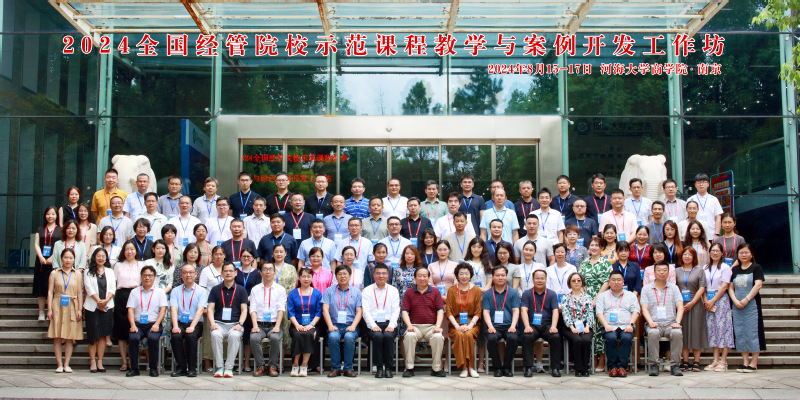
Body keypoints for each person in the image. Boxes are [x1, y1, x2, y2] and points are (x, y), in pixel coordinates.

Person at [641, 261, 685, 377]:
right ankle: (654, 364)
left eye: (665, 270)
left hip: (670, 323)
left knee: (677, 333)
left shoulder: (674, 288)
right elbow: (644, 308)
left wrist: (677, 322)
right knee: (653, 333)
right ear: (654, 273)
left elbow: (680, 306)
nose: (662, 272)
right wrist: (651, 322)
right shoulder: (646, 289)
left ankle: (675, 365)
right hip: (654, 323)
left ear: (668, 273)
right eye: (659, 270)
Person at [401, 267, 446, 378]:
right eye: (419, 276)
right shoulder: (409, 292)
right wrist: (409, 325)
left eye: (425, 276)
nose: (422, 278)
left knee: (438, 337)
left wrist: (438, 326)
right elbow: (404, 311)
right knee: (409, 336)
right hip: (414, 326)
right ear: (415, 278)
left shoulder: (435, 292)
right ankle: (409, 368)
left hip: (431, 327)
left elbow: (440, 310)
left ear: (429, 278)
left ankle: (436, 368)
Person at [595, 270, 640, 377]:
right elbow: (599, 313)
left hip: (626, 325)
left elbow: (636, 312)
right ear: (609, 282)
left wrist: (631, 324)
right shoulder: (602, 296)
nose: (616, 282)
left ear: (623, 282)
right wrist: (606, 325)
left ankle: (622, 367)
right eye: (613, 280)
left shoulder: (631, 295)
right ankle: (613, 367)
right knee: (611, 338)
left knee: (626, 338)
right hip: (609, 326)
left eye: (619, 280)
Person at [207, 262, 249, 378]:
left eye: (231, 271)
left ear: (235, 273)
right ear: (221, 273)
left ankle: (229, 367)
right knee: (215, 334)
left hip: (235, 324)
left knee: (235, 336)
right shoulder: (215, 289)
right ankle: (220, 367)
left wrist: (240, 324)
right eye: (225, 271)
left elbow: (244, 310)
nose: (228, 273)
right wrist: (212, 323)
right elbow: (210, 308)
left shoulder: (241, 290)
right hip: (219, 324)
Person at [125, 265, 168, 377]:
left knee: (152, 339)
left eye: (150, 275)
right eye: (145, 275)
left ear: (154, 277)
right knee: (133, 338)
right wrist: (132, 325)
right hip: (138, 324)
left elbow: (163, 310)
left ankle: (153, 368)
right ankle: (134, 369)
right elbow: (130, 310)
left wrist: (157, 324)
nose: (147, 278)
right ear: (141, 277)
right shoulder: (134, 292)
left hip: (153, 324)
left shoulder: (160, 292)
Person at [729, 244, 765, 373]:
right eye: (741, 253)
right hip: (737, 305)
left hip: (751, 304)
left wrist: (746, 299)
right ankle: (745, 362)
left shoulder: (756, 267)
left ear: (751, 254)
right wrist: (735, 301)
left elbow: (758, 285)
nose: (743, 255)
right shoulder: (735, 270)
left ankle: (754, 363)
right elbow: (730, 287)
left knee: (752, 332)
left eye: (746, 252)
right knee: (740, 332)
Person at [47, 248, 84, 373]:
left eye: (70, 258)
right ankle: (59, 364)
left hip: (72, 305)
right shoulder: (54, 273)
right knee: (57, 336)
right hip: (57, 305)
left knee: (70, 336)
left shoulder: (77, 274)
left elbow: (79, 293)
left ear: (74, 259)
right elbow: (50, 292)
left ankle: (67, 364)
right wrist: (49, 309)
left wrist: (79, 309)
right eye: (66, 257)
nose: (68, 260)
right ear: (61, 258)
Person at [322, 265, 362, 377]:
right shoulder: (329, 291)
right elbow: (325, 310)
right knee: (333, 337)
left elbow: (359, 311)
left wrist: (353, 326)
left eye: (345, 274)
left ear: (350, 276)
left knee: (349, 337)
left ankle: (348, 368)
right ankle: (335, 368)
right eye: (339, 274)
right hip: (334, 325)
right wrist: (330, 326)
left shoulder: (356, 292)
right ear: (336, 276)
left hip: (350, 325)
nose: (342, 276)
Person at [521, 269, 562, 377]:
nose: (540, 281)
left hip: (547, 324)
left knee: (555, 337)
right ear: (533, 280)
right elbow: (524, 310)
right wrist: (527, 326)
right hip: (532, 324)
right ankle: (528, 367)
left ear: (546, 279)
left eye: (542, 278)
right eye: (537, 278)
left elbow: (555, 311)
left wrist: (553, 326)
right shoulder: (527, 293)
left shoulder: (552, 294)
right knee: (527, 336)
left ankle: (555, 368)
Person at [579, 237, 612, 371]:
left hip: (601, 297)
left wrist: (596, 298)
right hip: (585, 298)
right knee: (589, 328)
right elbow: (580, 281)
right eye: (591, 245)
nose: (594, 248)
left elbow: (607, 281)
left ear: (602, 248)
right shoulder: (584, 263)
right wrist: (586, 297)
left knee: (600, 330)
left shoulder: (606, 263)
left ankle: (601, 360)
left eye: (597, 245)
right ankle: (590, 359)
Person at [362, 263, 401, 378]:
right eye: (378, 273)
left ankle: (388, 368)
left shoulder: (393, 290)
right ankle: (379, 367)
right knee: (378, 336)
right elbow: (365, 311)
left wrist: (392, 325)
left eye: (384, 273)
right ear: (374, 275)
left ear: (388, 275)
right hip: (373, 324)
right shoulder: (367, 290)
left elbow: (396, 310)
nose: (381, 276)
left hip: (389, 323)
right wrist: (372, 325)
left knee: (388, 336)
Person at [169, 263, 208, 377]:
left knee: (190, 336)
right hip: (180, 322)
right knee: (175, 336)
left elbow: (200, 310)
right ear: (181, 275)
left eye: (190, 272)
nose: (188, 275)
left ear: (195, 274)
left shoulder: (201, 291)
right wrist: (175, 326)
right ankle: (181, 367)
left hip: (195, 323)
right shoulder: (175, 291)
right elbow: (173, 309)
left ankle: (191, 368)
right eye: (185, 273)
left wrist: (192, 326)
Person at [249, 262, 287, 377]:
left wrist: (277, 326)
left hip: (274, 324)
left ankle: (272, 366)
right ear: (261, 273)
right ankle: (261, 366)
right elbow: (253, 309)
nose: (268, 272)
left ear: (274, 273)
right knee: (254, 338)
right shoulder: (255, 289)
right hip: (259, 324)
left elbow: (281, 309)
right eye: (265, 269)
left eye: (270, 269)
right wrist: (255, 326)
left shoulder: (280, 289)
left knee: (275, 338)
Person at [445, 262, 482, 378]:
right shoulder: (452, 290)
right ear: (457, 275)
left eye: (466, 274)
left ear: (470, 275)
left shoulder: (476, 290)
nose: (464, 276)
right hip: (455, 323)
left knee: (468, 334)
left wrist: (470, 326)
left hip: (472, 323)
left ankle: (471, 367)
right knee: (460, 335)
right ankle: (464, 367)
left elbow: (478, 311)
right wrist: (457, 326)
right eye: (461, 274)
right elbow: (449, 311)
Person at [483, 265, 520, 377]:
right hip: (494, 325)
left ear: (506, 277)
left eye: (503, 275)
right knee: (491, 339)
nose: (500, 278)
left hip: (509, 325)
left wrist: (513, 326)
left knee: (513, 338)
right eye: (497, 275)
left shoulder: (513, 292)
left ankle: (507, 367)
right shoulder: (487, 293)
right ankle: (497, 367)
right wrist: (490, 326)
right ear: (492, 277)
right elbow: (486, 312)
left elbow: (516, 311)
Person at [113, 241, 143, 372]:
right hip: (121, 296)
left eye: (132, 249)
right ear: (123, 252)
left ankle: (132, 359)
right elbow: (114, 283)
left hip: (136, 295)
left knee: (134, 328)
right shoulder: (118, 265)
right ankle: (124, 361)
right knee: (121, 330)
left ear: (136, 251)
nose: (129, 252)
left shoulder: (141, 265)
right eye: (127, 249)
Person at [676, 247, 707, 372]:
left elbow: (702, 288)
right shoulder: (677, 271)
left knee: (696, 332)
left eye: (690, 254)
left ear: (694, 257)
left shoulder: (699, 271)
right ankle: (685, 361)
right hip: (680, 305)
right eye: (685, 254)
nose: (687, 256)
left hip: (696, 304)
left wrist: (693, 302)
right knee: (683, 332)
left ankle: (696, 361)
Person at [287, 267, 323, 377]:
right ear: (299, 278)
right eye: (303, 276)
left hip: (312, 324)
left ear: (312, 278)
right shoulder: (293, 293)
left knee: (309, 334)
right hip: (296, 324)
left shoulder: (317, 293)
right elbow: (290, 312)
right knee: (298, 334)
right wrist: (297, 325)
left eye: (309, 276)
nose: (306, 279)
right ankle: (295, 364)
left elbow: (318, 313)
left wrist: (311, 325)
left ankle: (304, 364)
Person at [704, 243, 734, 372]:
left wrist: (713, 300)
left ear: (722, 253)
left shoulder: (725, 268)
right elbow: (703, 286)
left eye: (717, 251)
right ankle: (715, 360)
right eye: (713, 250)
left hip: (721, 300)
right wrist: (706, 300)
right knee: (712, 330)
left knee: (723, 329)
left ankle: (723, 360)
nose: (715, 253)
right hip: (708, 300)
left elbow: (724, 286)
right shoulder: (705, 268)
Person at [84, 248, 115, 373]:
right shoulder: (88, 272)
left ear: (106, 258)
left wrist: (105, 301)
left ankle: (100, 362)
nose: (101, 258)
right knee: (93, 335)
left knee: (103, 335)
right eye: (98, 256)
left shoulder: (110, 271)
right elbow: (88, 288)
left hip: (107, 307)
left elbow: (113, 288)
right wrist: (99, 301)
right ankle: (92, 361)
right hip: (92, 307)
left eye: (103, 256)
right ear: (94, 257)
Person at [559, 272, 595, 377]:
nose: (576, 282)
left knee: (586, 340)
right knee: (577, 340)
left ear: (582, 282)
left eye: (579, 280)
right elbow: (565, 314)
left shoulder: (587, 297)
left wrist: (587, 327)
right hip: (569, 326)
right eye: (573, 281)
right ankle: (578, 368)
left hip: (585, 325)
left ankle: (585, 368)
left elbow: (590, 313)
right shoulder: (565, 298)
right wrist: (572, 327)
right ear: (569, 283)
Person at [236, 247, 262, 371]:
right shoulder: (235, 272)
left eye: (249, 256)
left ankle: (246, 363)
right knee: (237, 335)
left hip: (251, 306)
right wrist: (242, 299)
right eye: (244, 256)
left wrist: (247, 299)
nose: (246, 258)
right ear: (240, 258)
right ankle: (238, 362)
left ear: (253, 259)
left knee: (247, 336)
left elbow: (257, 289)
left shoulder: (257, 273)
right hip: (237, 306)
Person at [687, 173, 723, 240]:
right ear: (695, 185)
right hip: (695, 235)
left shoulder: (714, 200)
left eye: (703, 182)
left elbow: (718, 217)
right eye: (699, 182)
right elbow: (687, 217)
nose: (701, 184)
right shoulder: (690, 200)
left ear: (708, 184)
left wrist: (717, 234)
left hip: (711, 235)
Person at [429, 240, 459, 309]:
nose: (442, 252)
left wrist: (448, 297)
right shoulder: (431, 266)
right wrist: (441, 297)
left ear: (449, 250)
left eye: (445, 250)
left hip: (452, 298)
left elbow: (456, 283)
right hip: (434, 298)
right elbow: (430, 283)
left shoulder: (455, 265)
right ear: (436, 251)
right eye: (440, 250)